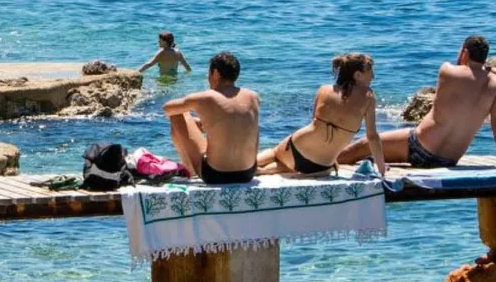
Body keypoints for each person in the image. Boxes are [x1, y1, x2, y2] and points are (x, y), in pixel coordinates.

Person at [340, 34, 496, 169]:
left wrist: (481, 65)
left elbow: (461, 66)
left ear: (465, 53)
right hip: (450, 160)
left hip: (419, 146)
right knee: (369, 152)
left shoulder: (447, 71)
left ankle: (321, 164)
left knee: (361, 147)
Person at [258, 53, 388, 178]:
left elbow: (315, 123)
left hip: (297, 146)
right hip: (322, 164)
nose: (373, 76)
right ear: (358, 75)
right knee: (294, 166)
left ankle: (248, 167)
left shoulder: (324, 90)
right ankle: (262, 171)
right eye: (370, 71)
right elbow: (372, 136)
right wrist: (381, 167)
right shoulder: (368, 96)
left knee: (276, 153)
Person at [162, 51, 261, 184]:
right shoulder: (253, 96)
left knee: (178, 113)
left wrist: (195, 118)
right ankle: (191, 169)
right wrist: (205, 123)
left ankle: (189, 171)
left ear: (215, 73)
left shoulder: (207, 97)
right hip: (248, 173)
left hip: (216, 175)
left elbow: (167, 108)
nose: (207, 77)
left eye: (208, 73)